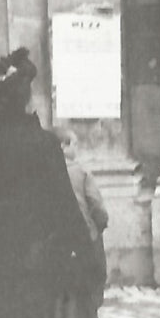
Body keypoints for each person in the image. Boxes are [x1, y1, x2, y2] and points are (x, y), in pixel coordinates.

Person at [0, 48, 119, 318]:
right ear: (26, 99)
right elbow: (63, 203)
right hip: (38, 255)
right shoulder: (43, 145)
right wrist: (83, 250)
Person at [57, 127, 110, 307]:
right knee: (95, 278)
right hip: (85, 237)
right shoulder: (82, 172)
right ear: (64, 146)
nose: (77, 149)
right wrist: (100, 226)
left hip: (56, 241)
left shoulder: (44, 173)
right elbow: (96, 205)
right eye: (75, 144)